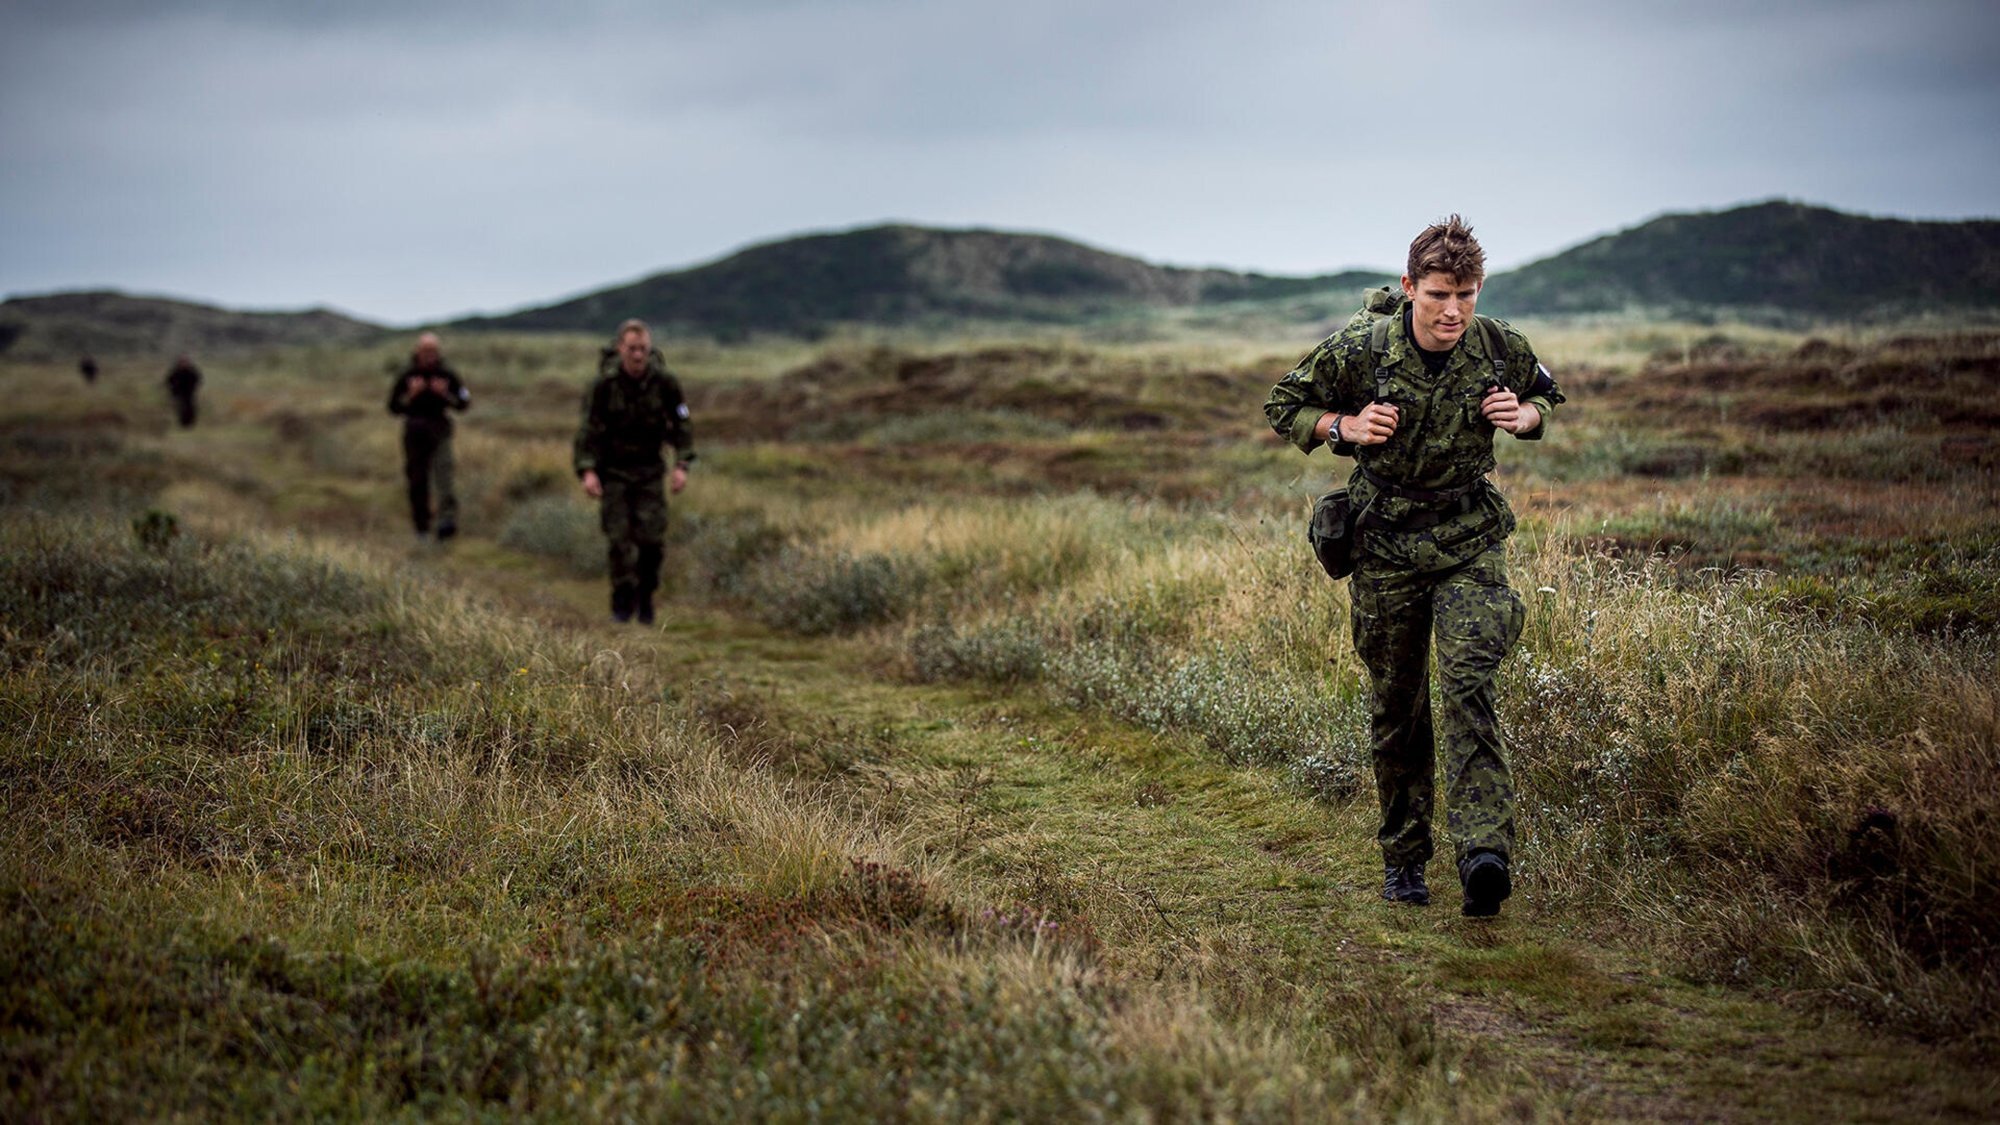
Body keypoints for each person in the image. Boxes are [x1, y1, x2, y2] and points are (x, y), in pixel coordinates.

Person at [1264, 216, 1564, 918]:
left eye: (1465, 293)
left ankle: (1484, 855)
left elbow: (1546, 393)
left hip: (1468, 538)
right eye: (1437, 294)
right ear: (1409, 288)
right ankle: (1404, 859)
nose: (1452, 310)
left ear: (1478, 289)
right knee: (1398, 706)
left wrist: (1526, 418)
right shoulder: (1363, 350)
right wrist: (1343, 427)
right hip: (1386, 544)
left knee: (1468, 685)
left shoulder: (1497, 346)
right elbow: (1285, 402)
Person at [573, 319, 695, 624]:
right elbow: (587, 431)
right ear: (620, 349)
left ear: (650, 349)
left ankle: (646, 595)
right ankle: (621, 598)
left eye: (643, 349)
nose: (638, 355)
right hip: (613, 471)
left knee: (651, 541)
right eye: (631, 349)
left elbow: (682, 425)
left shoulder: (665, 382)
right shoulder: (603, 385)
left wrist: (682, 465)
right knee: (619, 540)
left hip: (650, 471)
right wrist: (587, 471)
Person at [386, 331, 471, 541]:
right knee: (417, 479)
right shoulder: (407, 376)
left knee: (445, 476)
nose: (430, 355)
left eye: (433, 351)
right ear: (418, 351)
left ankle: (446, 522)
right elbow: (393, 407)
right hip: (414, 432)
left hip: (440, 431)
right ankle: (421, 526)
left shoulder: (447, 375)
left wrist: (445, 395)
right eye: (426, 351)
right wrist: (411, 396)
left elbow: (463, 403)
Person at [164, 354, 202, 427]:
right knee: (180, 408)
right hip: (178, 393)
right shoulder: (175, 371)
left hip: (189, 393)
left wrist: (193, 387)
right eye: (182, 362)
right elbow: (169, 381)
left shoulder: (192, 371)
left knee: (190, 408)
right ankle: (182, 423)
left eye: (185, 362)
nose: (184, 364)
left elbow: (197, 379)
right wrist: (173, 389)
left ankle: (190, 423)